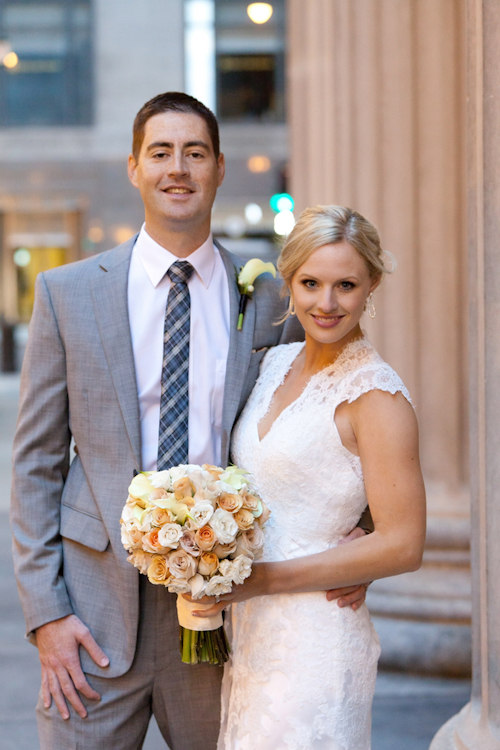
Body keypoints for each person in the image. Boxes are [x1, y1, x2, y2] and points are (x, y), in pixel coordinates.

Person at [10, 94, 367, 750]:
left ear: (220, 168)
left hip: (229, 608)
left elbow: (330, 416)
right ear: (134, 168)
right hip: (92, 611)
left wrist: (357, 536)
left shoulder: (270, 297)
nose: (179, 168)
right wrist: (47, 614)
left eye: (195, 153)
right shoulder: (68, 293)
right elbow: (34, 462)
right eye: (162, 152)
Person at [190, 205, 427, 750]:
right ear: (289, 281)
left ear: (372, 285)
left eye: (346, 284)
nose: (327, 303)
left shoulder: (377, 396)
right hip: (250, 632)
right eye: (311, 283)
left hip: (317, 636)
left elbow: (405, 544)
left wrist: (263, 580)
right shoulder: (275, 362)